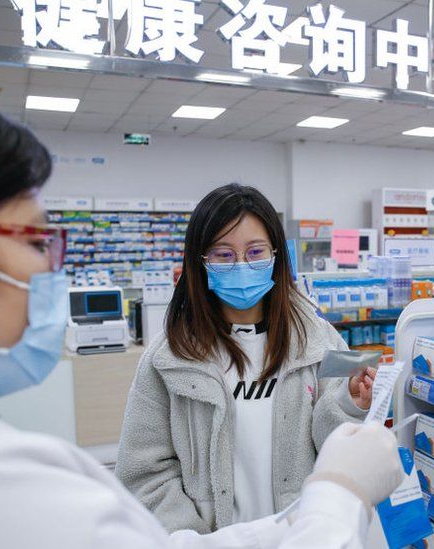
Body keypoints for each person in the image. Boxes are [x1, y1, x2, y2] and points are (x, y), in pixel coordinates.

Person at [0, 81, 403, 549]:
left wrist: (343, 426)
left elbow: (327, 419)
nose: (50, 269)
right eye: (35, 240)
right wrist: (338, 495)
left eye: (256, 252)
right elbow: (151, 481)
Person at [117, 183, 379, 533]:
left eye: (255, 252)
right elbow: (143, 475)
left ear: (275, 255)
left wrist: (352, 404)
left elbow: (339, 451)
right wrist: (200, 542)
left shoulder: (322, 337)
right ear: (201, 262)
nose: (241, 264)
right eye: (223, 255)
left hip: (303, 537)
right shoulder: (167, 357)